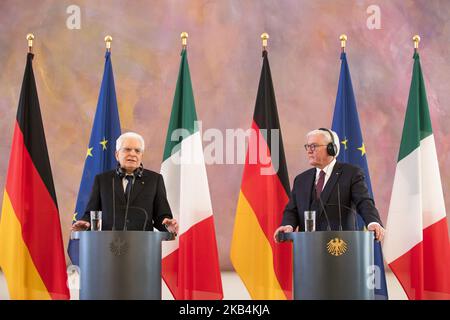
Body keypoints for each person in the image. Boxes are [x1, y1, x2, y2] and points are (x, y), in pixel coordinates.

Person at [274, 128, 385, 242]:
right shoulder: (301, 179)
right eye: (307, 146)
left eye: (313, 146)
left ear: (331, 149)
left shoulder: (351, 173)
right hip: (307, 249)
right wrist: (288, 225)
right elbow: (292, 210)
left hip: (340, 247)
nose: (309, 151)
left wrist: (373, 222)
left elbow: (364, 202)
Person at [71, 132, 178, 234]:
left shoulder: (155, 180)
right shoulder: (102, 180)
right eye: (127, 149)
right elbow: (91, 213)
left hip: (143, 247)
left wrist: (167, 225)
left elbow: (162, 216)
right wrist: (86, 224)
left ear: (141, 155)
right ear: (117, 154)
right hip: (107, 246)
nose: (132, 154)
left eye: (137, 151)